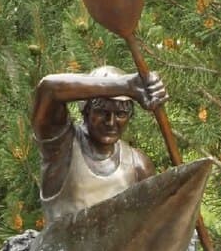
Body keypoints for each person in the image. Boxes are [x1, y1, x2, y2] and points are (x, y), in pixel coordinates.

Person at [31, 64, 168, 224]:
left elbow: (150, 225)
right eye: (102, 112)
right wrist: (126, 86)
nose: (111, 122)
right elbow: (49, 89)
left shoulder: (138, 165)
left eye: (120, 114)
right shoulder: (62, 148)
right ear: (86, 111)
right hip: (61, 248)